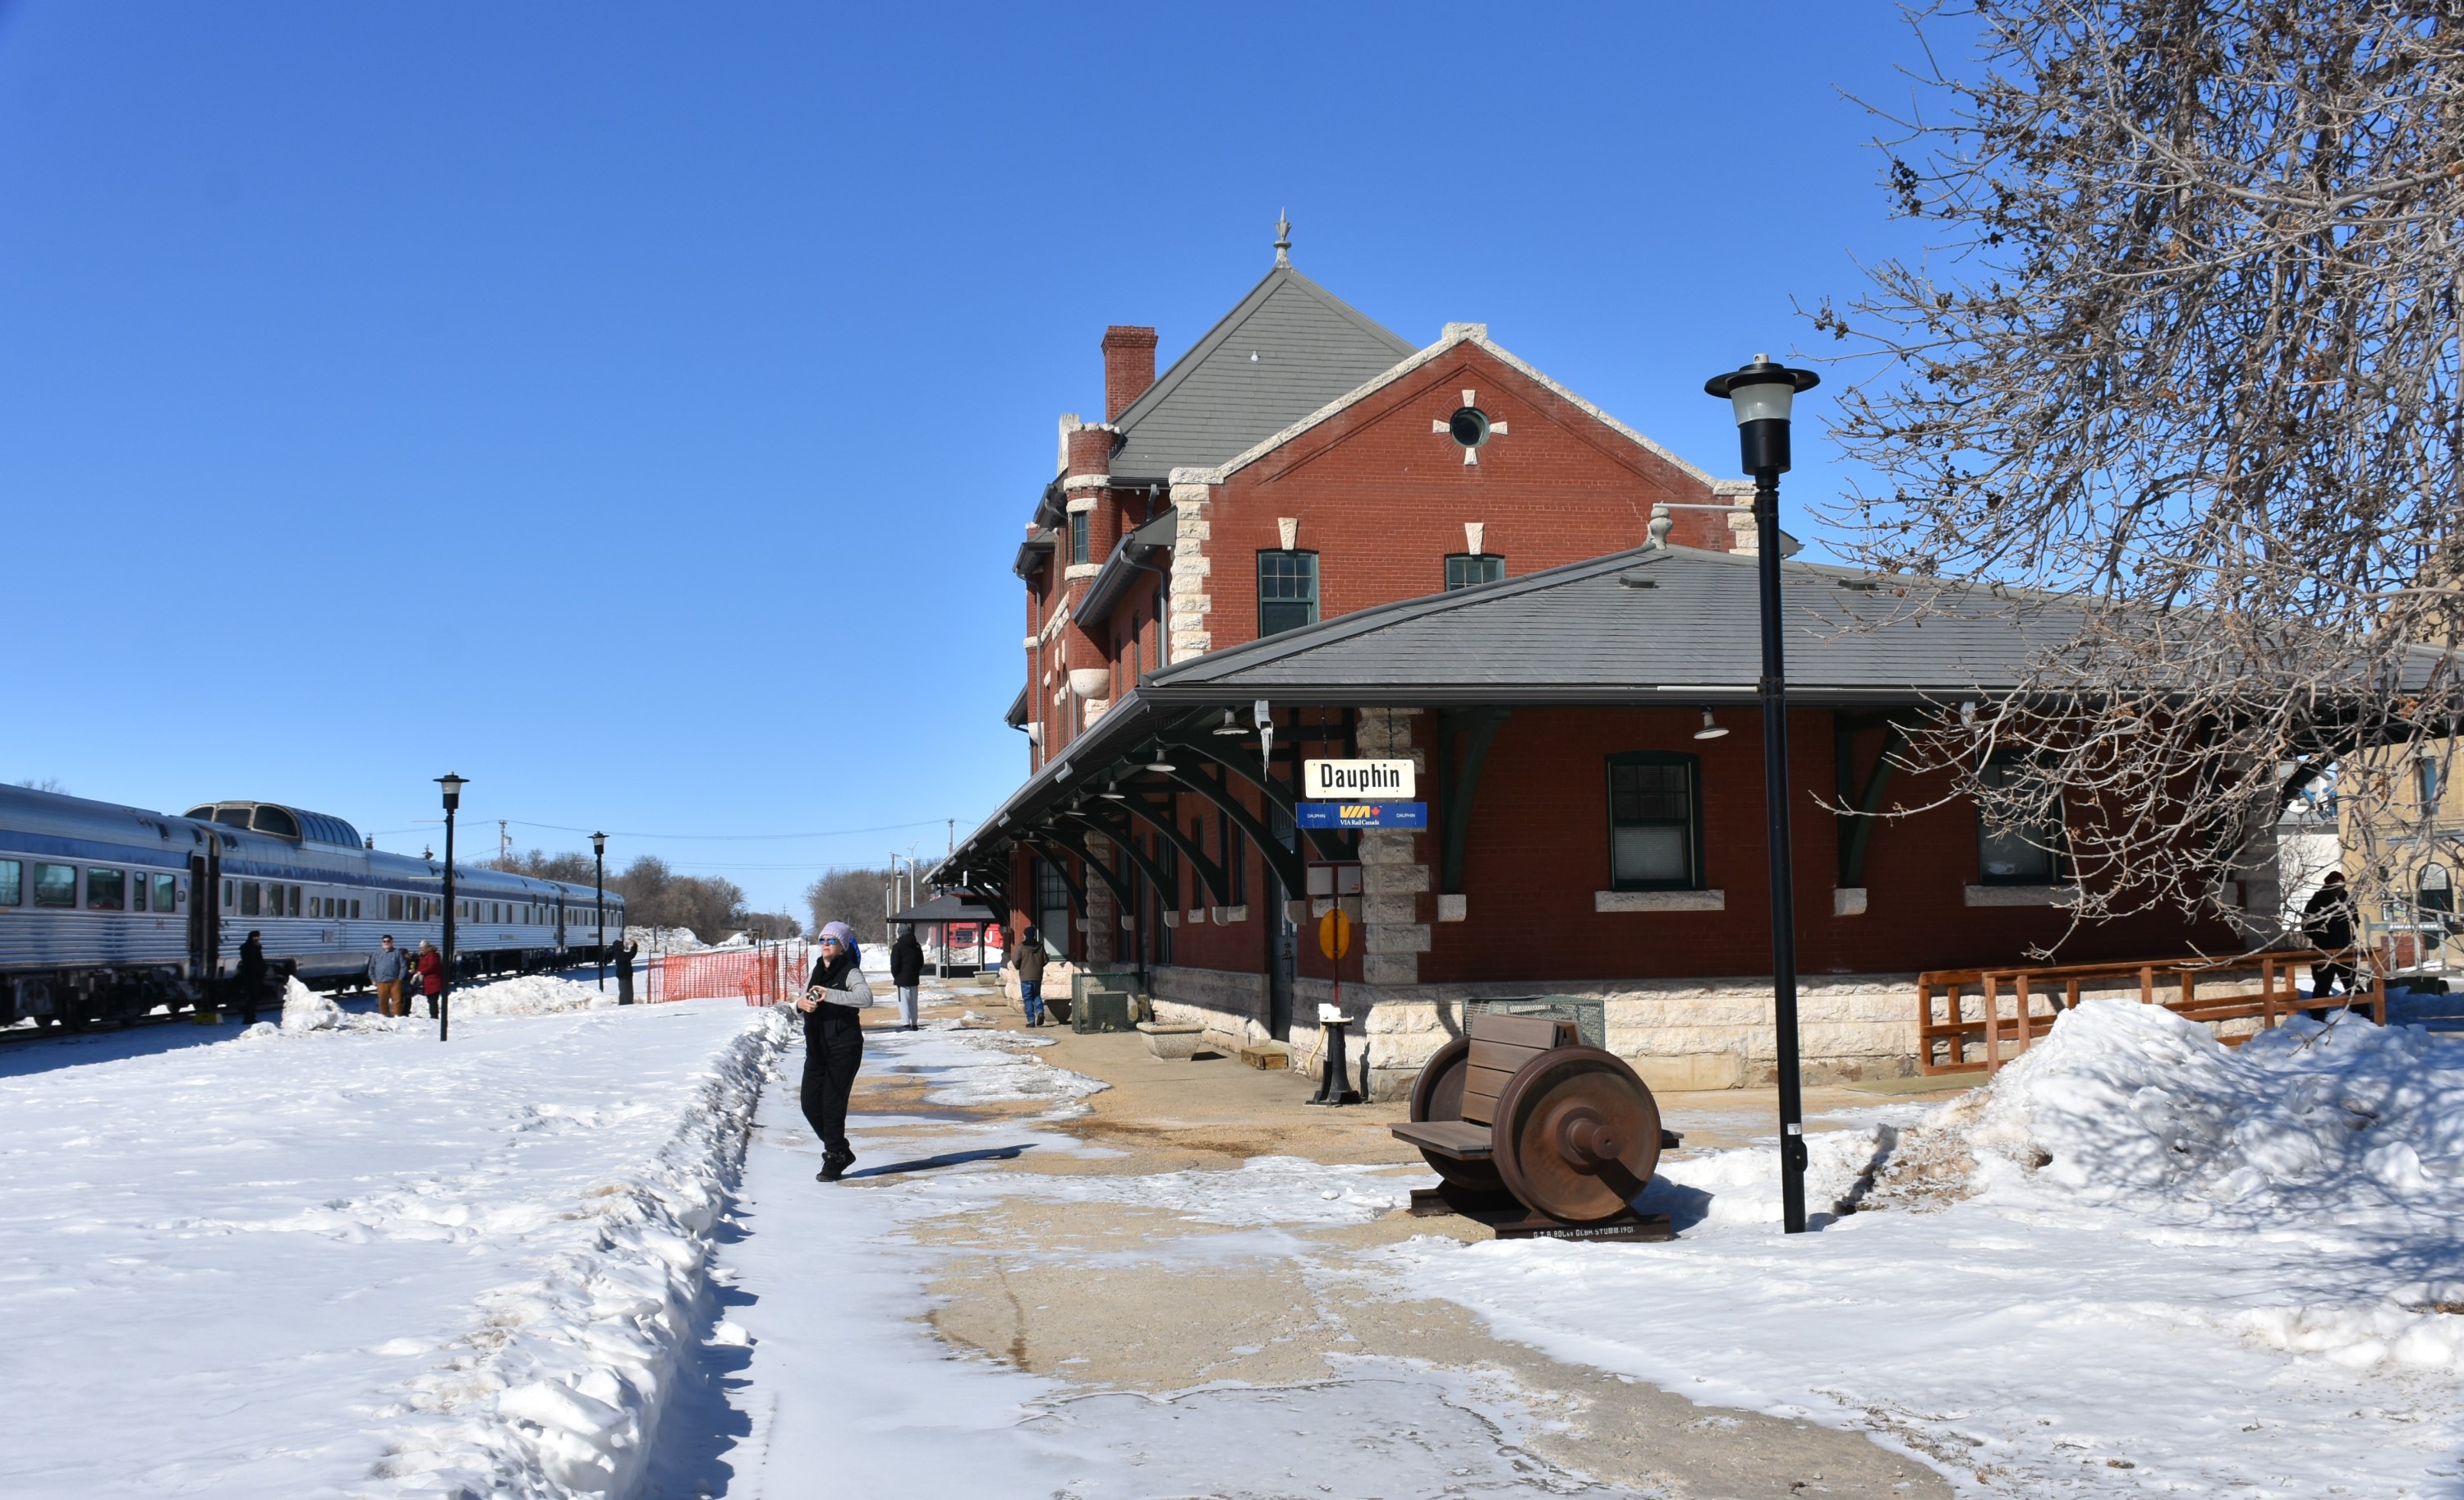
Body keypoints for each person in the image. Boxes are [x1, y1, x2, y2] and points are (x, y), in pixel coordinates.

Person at [796, 921, 874, 1181]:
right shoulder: (817, 970)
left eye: (831, 941)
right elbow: (804, 997)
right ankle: (840, 1147)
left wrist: (829, 995)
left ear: (842, 945)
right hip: (817, 1047)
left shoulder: (850, 971)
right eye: (822, 940)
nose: (826, 945)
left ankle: (834, 1157)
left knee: (832, 1104)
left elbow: (865, 998)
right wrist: (801, 1003)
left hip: (844, 1046)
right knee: (809, 1103)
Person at [2303, 871, 2358, 1021]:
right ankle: (2317, 1016)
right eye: (2335, 885)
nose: (2338, 889)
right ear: (2328, 885)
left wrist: (2351, 937)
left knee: (2352, 982)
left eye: (2341, 885)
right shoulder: (2317, 901)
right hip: (2324, 951)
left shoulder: (2347, 901)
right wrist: (2323, 937)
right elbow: (2307, 926)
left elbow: (2355, 921)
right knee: (2322, 985)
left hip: (2345, 949)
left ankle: (2363, 1012)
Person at [889, 923, 924, 1031]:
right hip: (914, 977)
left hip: (901, 978)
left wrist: (896, 975)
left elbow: (894, 964)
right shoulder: (916, 945)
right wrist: (916, 972)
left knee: (903, 1001)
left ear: (900, 934)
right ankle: (914, 1023)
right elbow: (921, 962)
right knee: (914, 1002)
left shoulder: (897, 947)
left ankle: (906, 1023)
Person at [1014, 923, 1047, 1027]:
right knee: (1036, 995)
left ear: (1026, 935)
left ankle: (1031, 1020)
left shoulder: (1021, 948)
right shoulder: (1040, 946)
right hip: (1037, 976)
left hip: (1025, 977)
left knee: (1028, 998)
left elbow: (1015, 961)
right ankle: (1040, 1012)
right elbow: (1046, 960)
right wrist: (1038, 966)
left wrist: (1020, 967)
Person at [234, 930, 267, 1027]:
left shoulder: (256, 947)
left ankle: (251, 1017)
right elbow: (251, 962)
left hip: (256, 975)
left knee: (254, 998)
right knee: (251, 997)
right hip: (251, 976)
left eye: (257, 937)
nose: (256, 939)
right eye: (254, 937)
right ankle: (248, 1018)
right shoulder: (248, 948)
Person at [371, 935, 407, 1017]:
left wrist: (400, 978)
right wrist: (373, 979)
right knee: (383, 1000)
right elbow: (372, 967)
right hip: (381, 981)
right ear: (382, 942)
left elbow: (403, 966)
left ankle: (396, 1015)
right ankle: (384, 1015)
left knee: (397, 1000)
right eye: (384, 941)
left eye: (388, 941)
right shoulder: (377, 953)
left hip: (395, 981)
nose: (386, 943)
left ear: (392, 942)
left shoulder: (397, 952)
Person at [415, 939, 444, 1020]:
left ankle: (434, 1016)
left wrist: (421, 972)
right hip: (428, 982)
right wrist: (417, 972)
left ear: (426, 947)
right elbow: (421, 967)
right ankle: (433, 1015)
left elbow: (432, 966)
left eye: (422, 948)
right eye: (420, 948)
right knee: (430, 999)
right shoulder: (424, 956)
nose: (421, 949)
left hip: (434, 981)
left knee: (433, 1000)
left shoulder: (432, 955)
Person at [615, 939, 637, 1005]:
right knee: (628, 996)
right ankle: (628, 1008)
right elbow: (631, 955)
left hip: (624, 977)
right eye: (622, 945)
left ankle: (622, 1007)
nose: (623, 946)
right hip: (625, 977)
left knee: (623, 995)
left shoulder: (619, 954)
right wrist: (634, 946)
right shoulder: (620, 954)